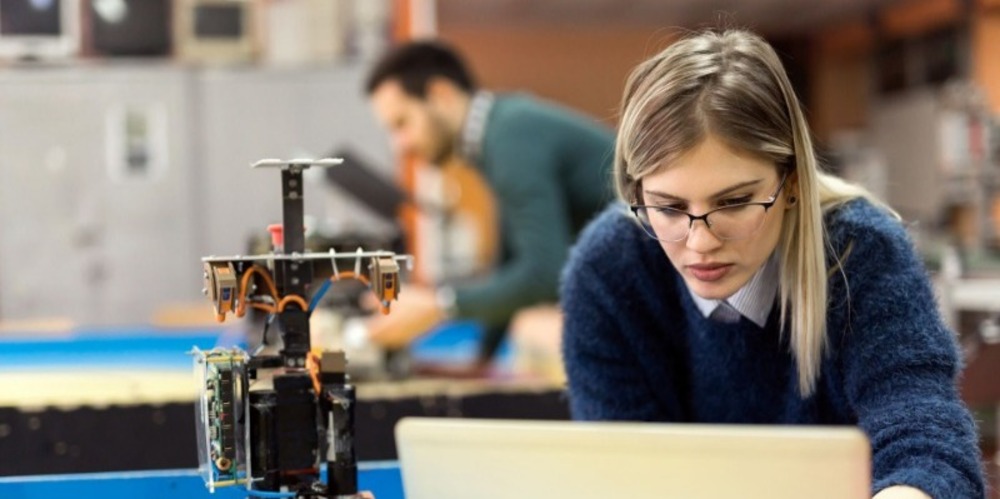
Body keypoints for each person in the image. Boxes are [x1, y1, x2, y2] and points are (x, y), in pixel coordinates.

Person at [560, 29, 985, 498]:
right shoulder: (609, 272)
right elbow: (624, 477)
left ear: (794, 183)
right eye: (667, 208)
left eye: (735, 202)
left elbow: (927, 443)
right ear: (636, 194)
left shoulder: (860, 253)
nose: (700, 242)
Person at [363, 40, 614, 366]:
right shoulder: (500, 131)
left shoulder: (510, 137)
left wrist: (438, 306)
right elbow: (510, 262)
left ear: (440, 94)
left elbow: (543, 273)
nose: (400, 147)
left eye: (402, 123)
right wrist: (481, 361)